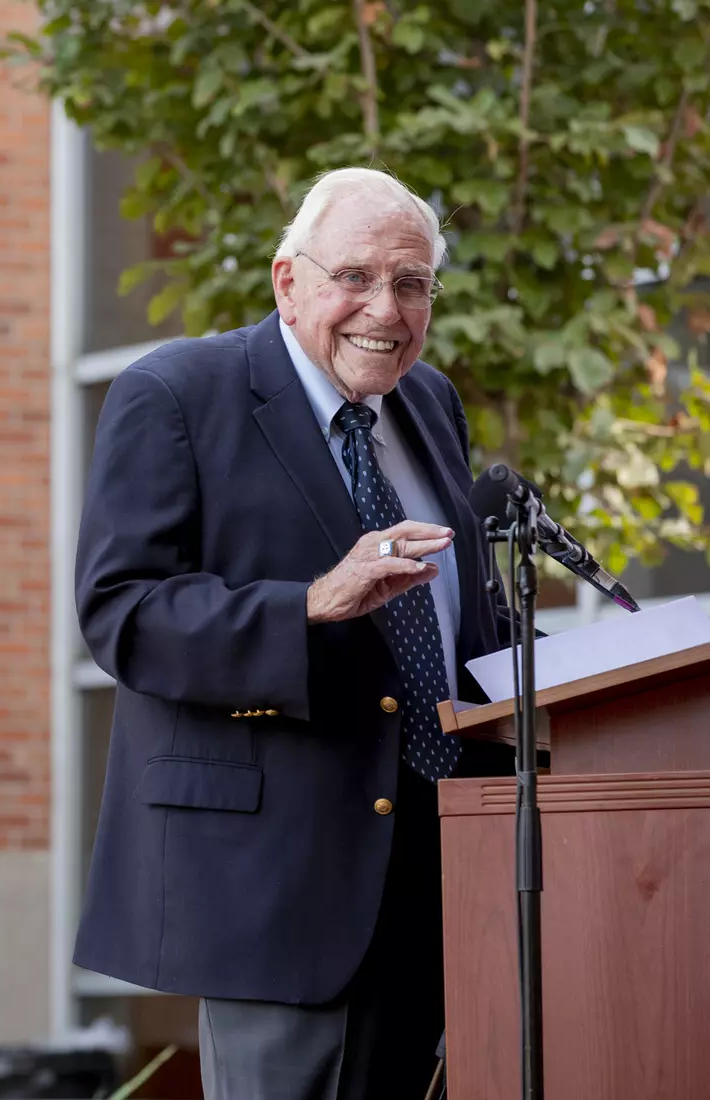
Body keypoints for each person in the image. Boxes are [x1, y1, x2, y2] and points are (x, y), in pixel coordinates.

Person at [72, 168, 514, 1100]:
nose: (384, 310)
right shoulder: (178, 393)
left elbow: (461, 618)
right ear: (288, 281)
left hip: (443, 875)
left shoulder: (429, 401)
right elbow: (123, 612)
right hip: (277, 888)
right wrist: (310, 603)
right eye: (355, 277)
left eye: (412, 283)